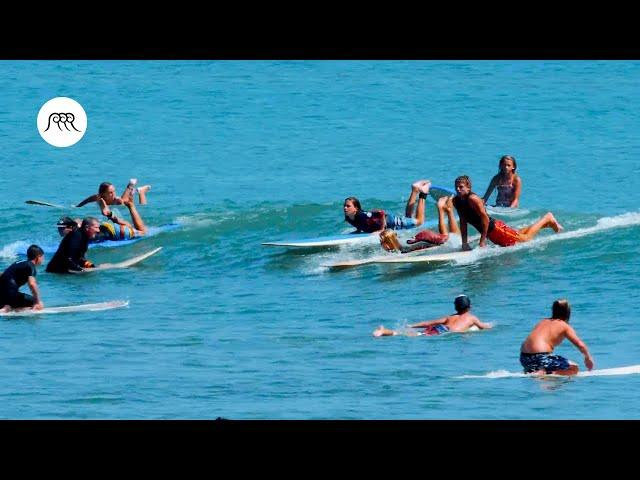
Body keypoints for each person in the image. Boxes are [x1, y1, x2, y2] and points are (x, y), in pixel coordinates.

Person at [452, 175, 563, 251]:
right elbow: (462, 221)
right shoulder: (456, 201)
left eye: (461, 187)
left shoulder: (473, 199)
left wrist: (482, 241)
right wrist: (464, 243)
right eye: (456, 187)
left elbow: (484, 218)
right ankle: (547, 224)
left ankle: (547, 218)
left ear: (468, 188)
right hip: (491, 232)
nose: (458, 189)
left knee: (525, 239)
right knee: (518, 235)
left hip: (496, 229)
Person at [520, 299, 594, 375]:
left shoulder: (542, 321)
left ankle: (537, 371)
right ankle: (545, 373)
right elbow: (580, 345)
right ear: (567, 312)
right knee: (574, 368)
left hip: (524, 358)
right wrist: (588, 357)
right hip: (541, 357)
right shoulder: (564, 326)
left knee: (552, 382)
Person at [373, 295, 492, 337]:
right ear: (470, 307)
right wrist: (490, 326)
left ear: (455, 307)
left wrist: (412, 325)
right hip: (446, 332)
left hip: (441, 329)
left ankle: (385, 331)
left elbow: (429, 323)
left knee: (412, 333)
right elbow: (483, 327)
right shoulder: (471, 317)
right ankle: (385, 332)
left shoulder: (450, 317)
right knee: (414, 336)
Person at [343, 180, 431, 234]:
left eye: (348, 206)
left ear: (356, 208)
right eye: (344, 206)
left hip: (391, 222)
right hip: (389, 222)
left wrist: (381, 230)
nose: (345, 208)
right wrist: (358, 230)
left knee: (419, 221)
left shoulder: (362, 215)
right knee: (408, 217)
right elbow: (360, 224)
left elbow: (380, 212)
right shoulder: (349, 217)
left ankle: (423, 193)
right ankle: (415, 190)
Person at [379, 195, 460, 253]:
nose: (381, 244)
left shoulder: (403, 250)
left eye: (382, 241)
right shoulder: (400, 246)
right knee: (447, 237)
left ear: (388, 243)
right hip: (422, 237)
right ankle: (441, 208)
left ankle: (446, 209)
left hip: (426, 237)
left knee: (454, 239)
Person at [57, 198, 148, 242]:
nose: (59, 231)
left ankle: (131, 207)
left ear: (69, 228)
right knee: (127, 225)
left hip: (117, 232)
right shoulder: (77, 226)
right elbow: (78, 221)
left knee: (143, 232)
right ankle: (109, 214)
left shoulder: (78, 233)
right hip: (107, 227)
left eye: (61, 229)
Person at [75, 179, 151, 228]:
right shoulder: (97, 197)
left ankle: (141, 192)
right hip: (113, 207)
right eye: (110, 193)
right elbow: (86, 200)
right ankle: (131, 186)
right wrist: (77, 206)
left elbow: (129, 207)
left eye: (114, 191)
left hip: (118, 204)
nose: (113, 194)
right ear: (103, 194)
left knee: (139, 206)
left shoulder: (117, 199)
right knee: (123, 199)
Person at [0, 245, 45, 312]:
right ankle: (7, 308)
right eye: (42, 257)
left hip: (1, 294)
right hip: (10, 294)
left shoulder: (20, 262)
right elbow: (32, 284)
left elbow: (4, 274)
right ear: (38, 257)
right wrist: (37, 302)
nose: (43, 259)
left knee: (11, 298)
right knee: (34, 302)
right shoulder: (31, 266)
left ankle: (7, 306)